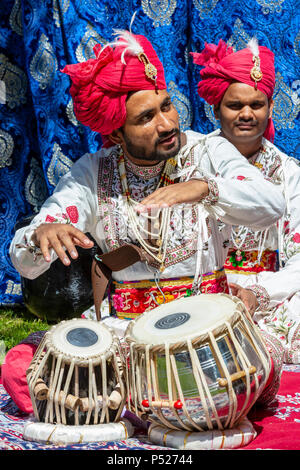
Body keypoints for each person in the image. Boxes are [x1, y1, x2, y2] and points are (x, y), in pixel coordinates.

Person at [3, 31, 285, 414]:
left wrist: (204, 188)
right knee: (29, 360)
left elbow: (270, 203)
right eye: (147, 118)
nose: (167, 123)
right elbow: (25, 254)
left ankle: (134, 402)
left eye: (167, 106)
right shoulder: (93, 173)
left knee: (243, 373)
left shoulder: (208, 151)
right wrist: (41, 234)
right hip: (130, 331)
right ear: (117, 133)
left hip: (209, 327)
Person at [192, 38, 300, 365]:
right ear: (215, 110)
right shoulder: (191, 159)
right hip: (198, 289)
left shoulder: (288, 173)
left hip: (262, 296)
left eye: (257, 104)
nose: (247, 114)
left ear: (270, 109)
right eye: (235, 105)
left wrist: (258, 293)